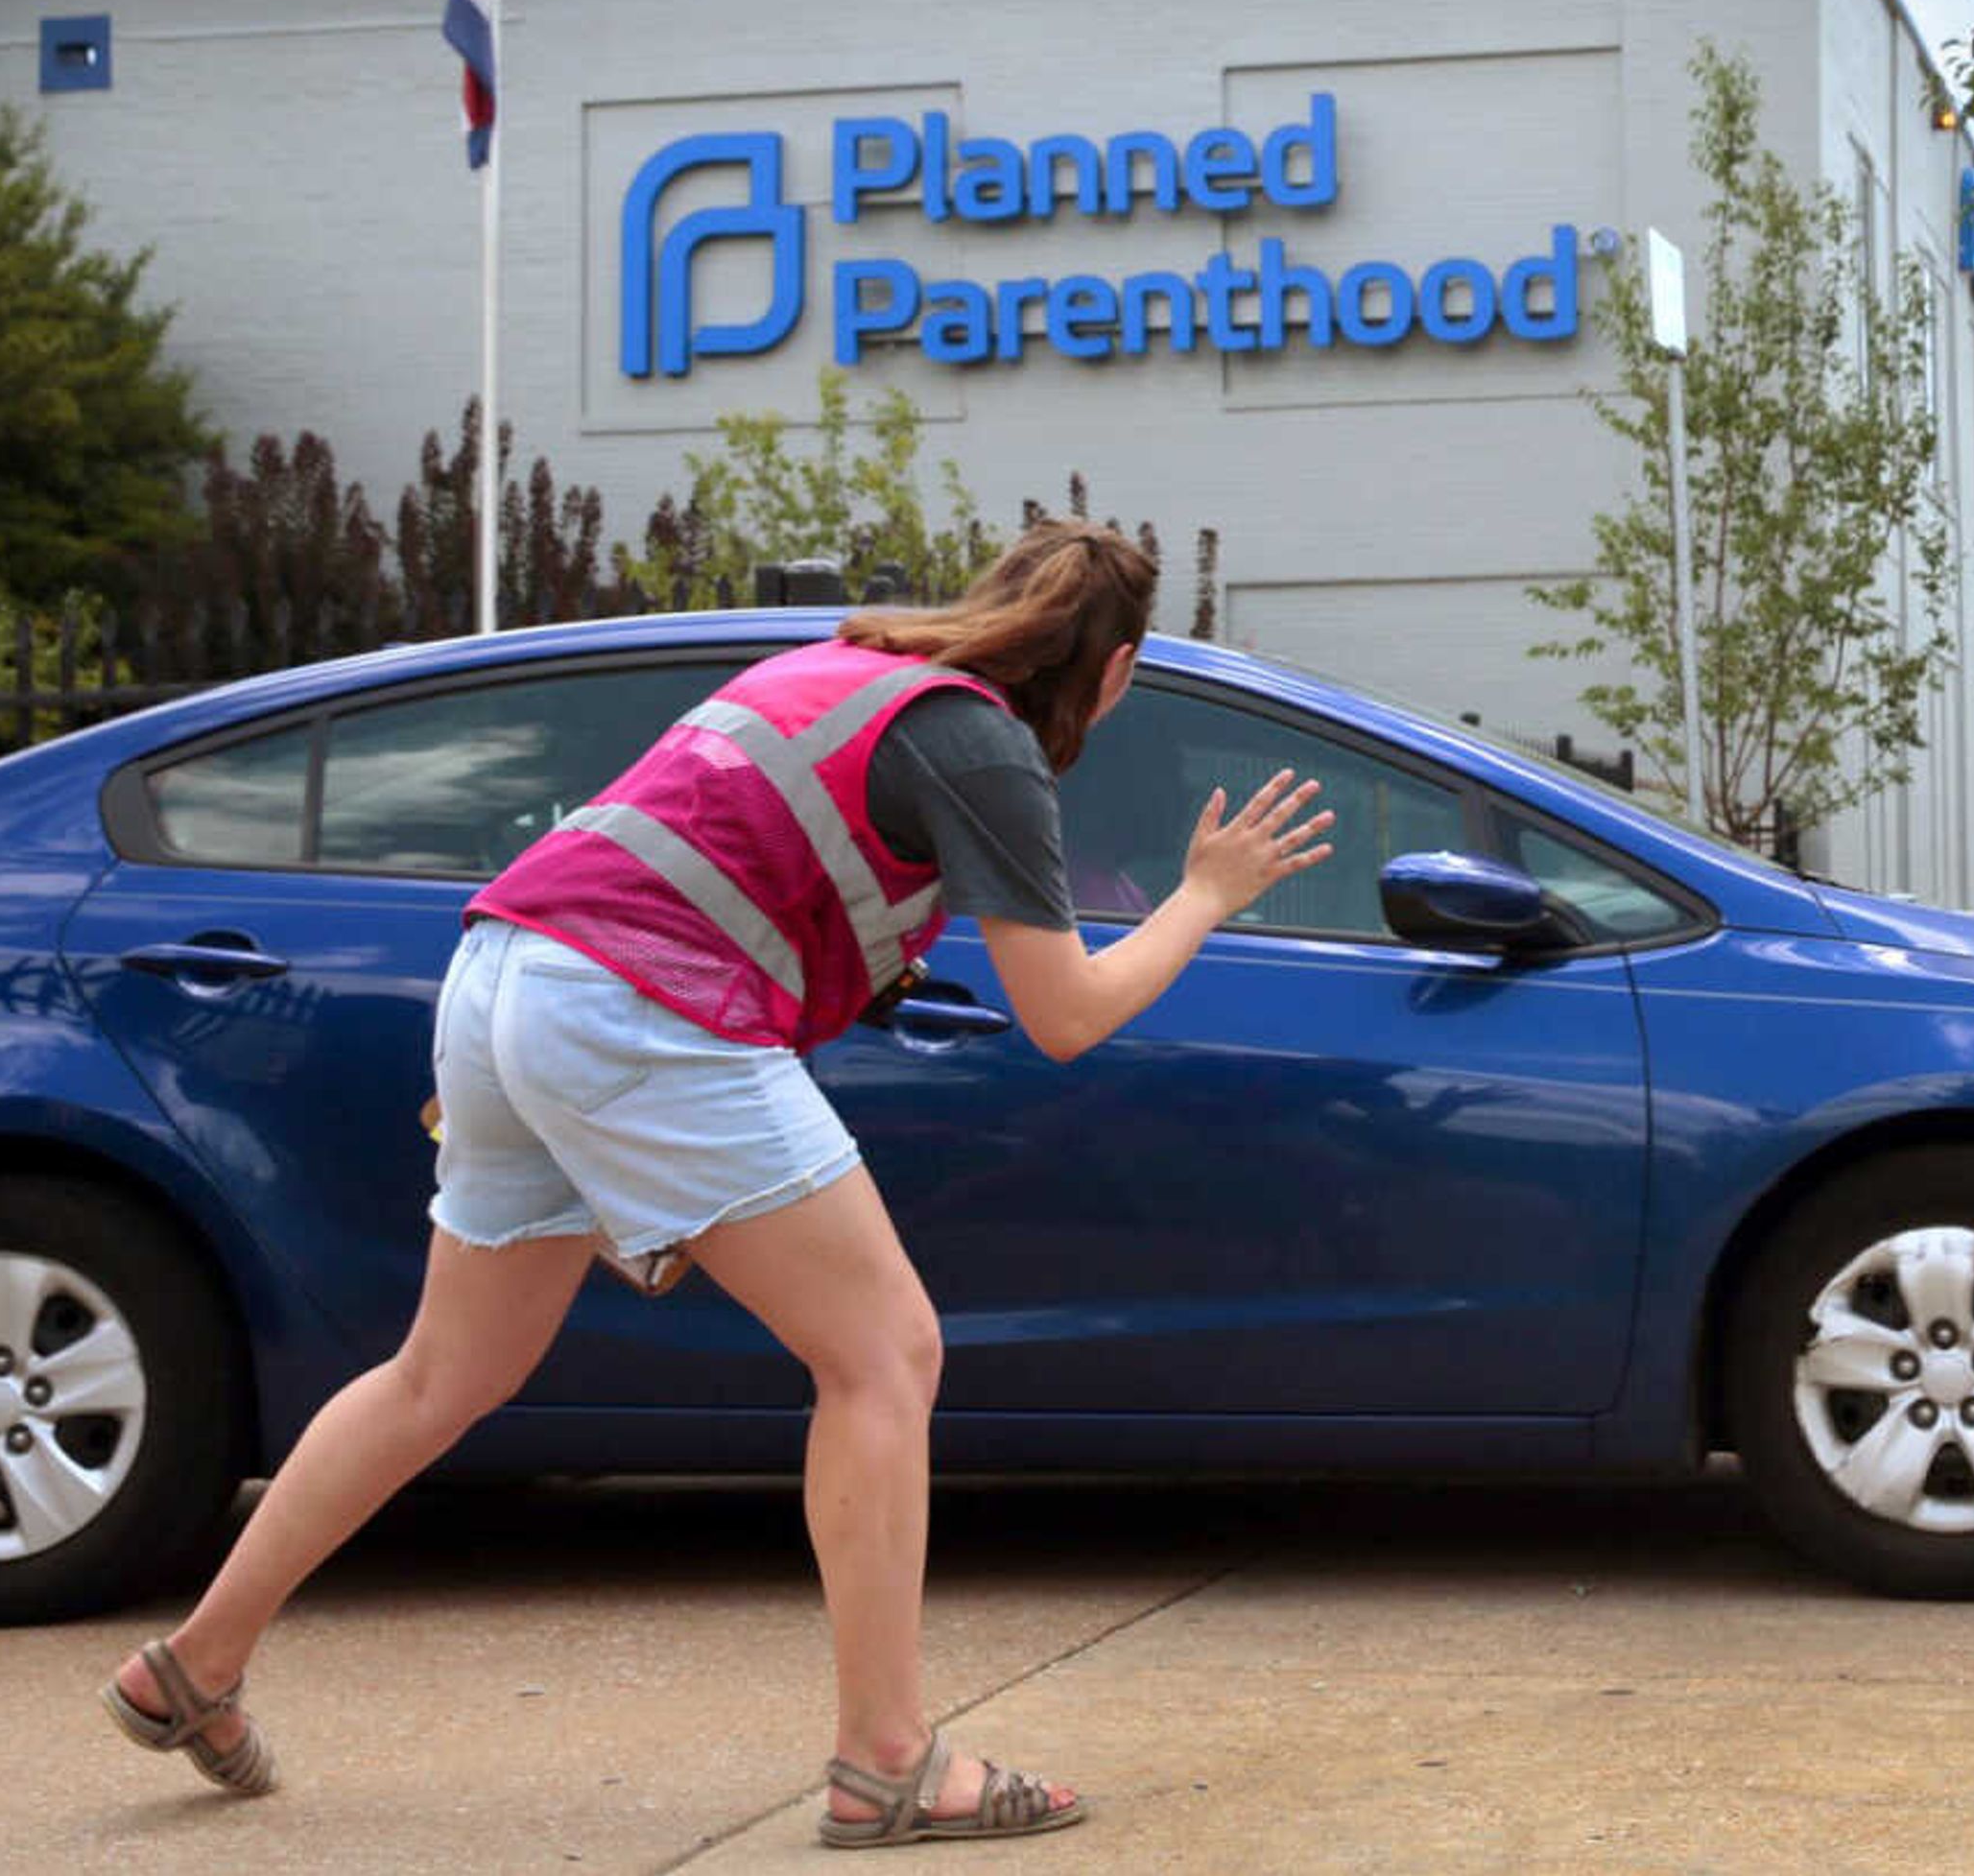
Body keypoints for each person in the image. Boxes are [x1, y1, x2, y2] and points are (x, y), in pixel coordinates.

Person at [98, 518, 1332, 1848]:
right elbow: (1068, 1013)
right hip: (632, 1015)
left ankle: (195, 1665)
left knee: (437, 1375)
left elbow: (726, 857)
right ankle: (888, 1758)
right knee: (885, 1355)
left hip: (506, 974)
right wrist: (1210, 892)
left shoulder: (841, 665)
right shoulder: (984, 742)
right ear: (1119, 668)